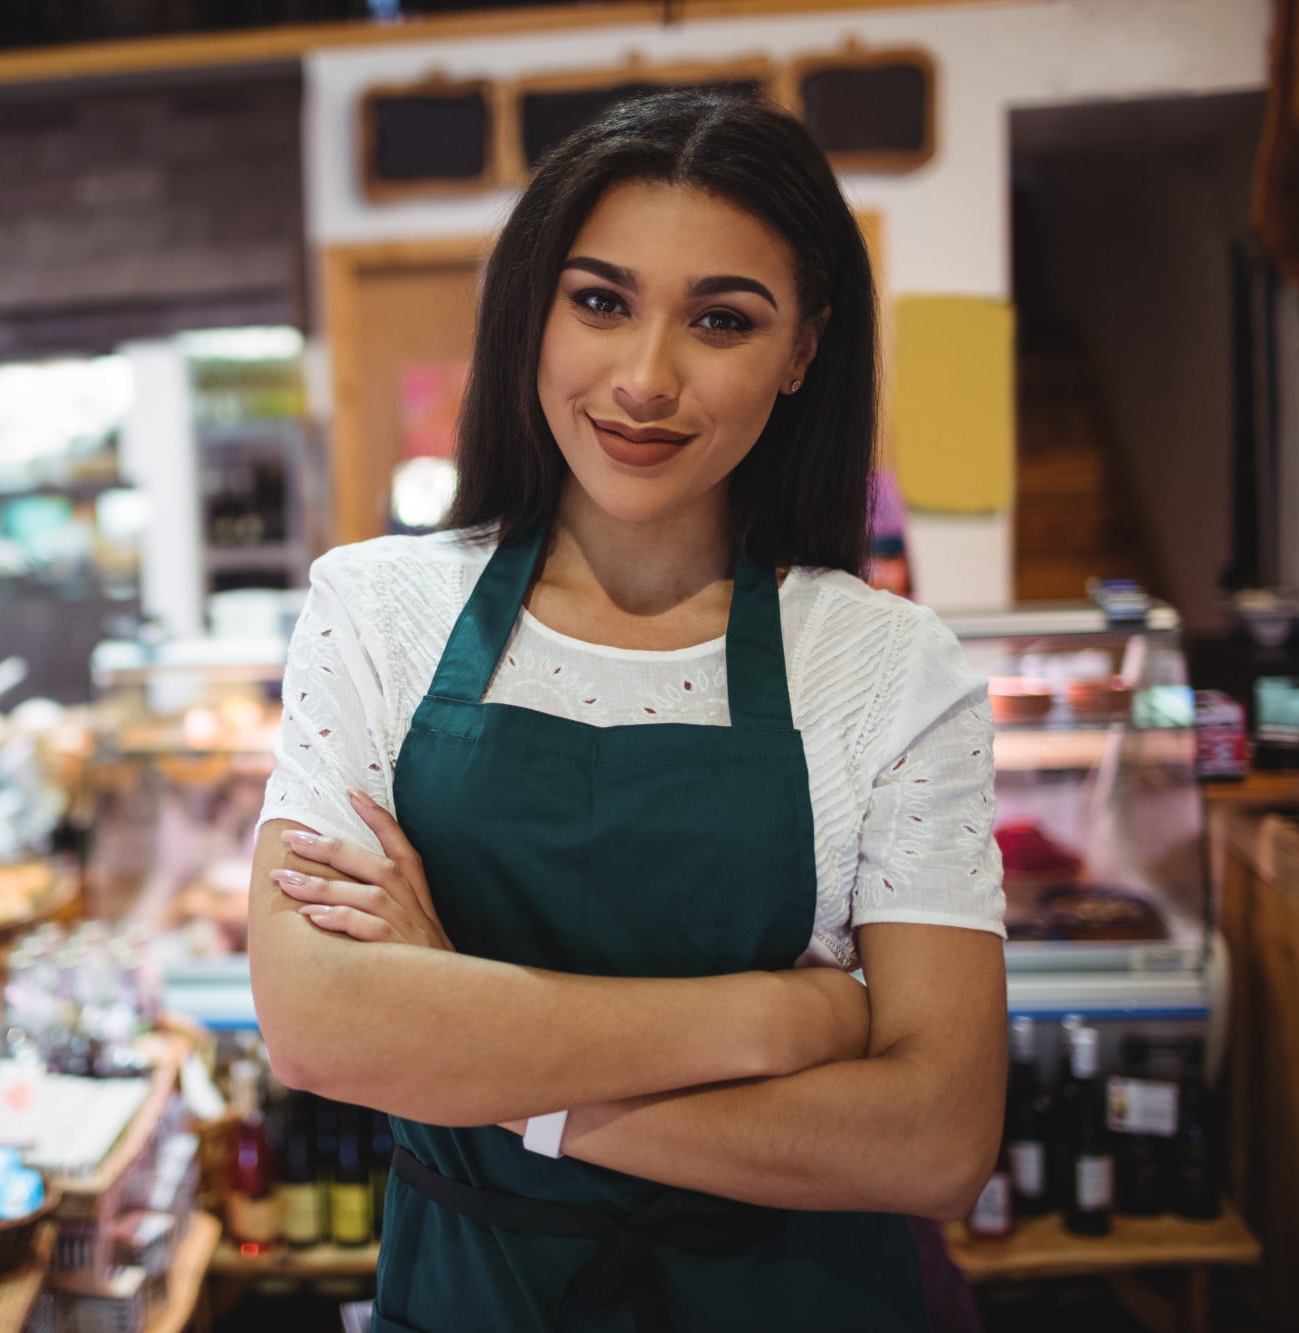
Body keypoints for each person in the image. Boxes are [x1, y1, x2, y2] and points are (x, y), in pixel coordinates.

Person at [249, 89, 1006, 1332]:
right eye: (599, 301)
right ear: (532, 313)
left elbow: (930, 1143)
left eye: (720, 319)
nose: (645, 379)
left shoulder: (884, 664)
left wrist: (469, 1045)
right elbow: (320, 1027)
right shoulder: (376, 608)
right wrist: (774, 1016)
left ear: (802, 351)